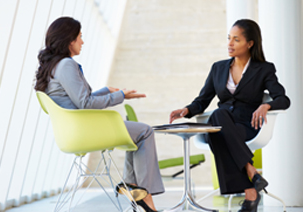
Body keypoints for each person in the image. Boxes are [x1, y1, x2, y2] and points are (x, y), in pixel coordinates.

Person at [34, 17, 164, 212]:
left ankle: (133, 188)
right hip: (85, 131)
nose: (83, 42)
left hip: (72, 133)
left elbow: (77, 101)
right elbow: (85, 103)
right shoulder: (66, 65)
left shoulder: (52, 67)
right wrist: (120, 96)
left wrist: (107, 91)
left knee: (137, 135)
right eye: (80, 37)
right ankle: (144, 196)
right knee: (145, 132)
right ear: (69, 40)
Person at [169, 19, 290, 212]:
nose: (230, 44)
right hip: (223, 125)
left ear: (250, 43)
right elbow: (203, 100)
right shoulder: (218, 68)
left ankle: (251, 188)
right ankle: (251, 178)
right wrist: (187, 110)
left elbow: (284, 99)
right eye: (228, 39)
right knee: (219, 119)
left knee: (217, 122)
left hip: (247, 126)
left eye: (236, 39)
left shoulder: (264, 69)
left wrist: (266, 105)